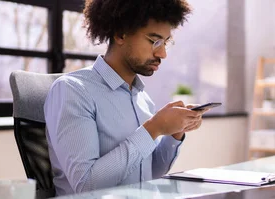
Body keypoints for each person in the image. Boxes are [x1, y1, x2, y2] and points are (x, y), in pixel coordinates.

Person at [43, 0, 201, 195]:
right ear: (120, 34)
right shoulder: (72, 91)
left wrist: (174, 133)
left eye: (166, 42)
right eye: (154, 41)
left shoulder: (143, 99)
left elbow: (149, 173)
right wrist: (154, 128)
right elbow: (86, 186)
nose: (162, 53)